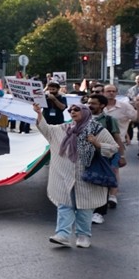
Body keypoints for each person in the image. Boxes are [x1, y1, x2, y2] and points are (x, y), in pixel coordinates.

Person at [31, 102, 117, 249]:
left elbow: (113, 148)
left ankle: (83, 236)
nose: (73, 112)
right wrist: (39, 113)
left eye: (77, 109)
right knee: (65, 205)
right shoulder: (64, 129)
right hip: (64, 175)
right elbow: (46, 130)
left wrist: (97, 144)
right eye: (71, 110)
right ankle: (62, 235)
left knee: (84, 207)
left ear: (85, 112)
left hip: (86, 176)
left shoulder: (97, 130)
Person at [85, 93, 126, 225]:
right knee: (86, 183)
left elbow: (117, 138)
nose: (90, 105)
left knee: (102, 183)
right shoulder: (82, 117)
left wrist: (121, 155)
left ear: (102, 105)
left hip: (104, 156)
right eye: (89, 103)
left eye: (93, 103)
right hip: (85, 156)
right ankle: (87, 209)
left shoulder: (109, 120)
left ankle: (99, 212)